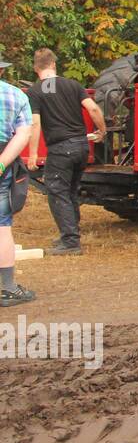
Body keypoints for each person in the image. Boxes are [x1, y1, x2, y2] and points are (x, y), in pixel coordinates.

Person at [25, 48, 106, 255]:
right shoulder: (73, 85)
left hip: (60, 148)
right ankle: (70, 234)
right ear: (53, 64)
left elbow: (35, 124)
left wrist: (33, 154)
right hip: (81, 146)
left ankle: (70, 242)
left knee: (57, 191)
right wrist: (102, 131)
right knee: (70, 191)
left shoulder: (35, 91)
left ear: (36, 68)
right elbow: (94, 109)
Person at [0, 56, 36, 307]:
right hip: (4, 159)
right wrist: (2, 162)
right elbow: (24, 133)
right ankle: (8, 289)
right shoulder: (16, 95)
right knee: (2, 226)